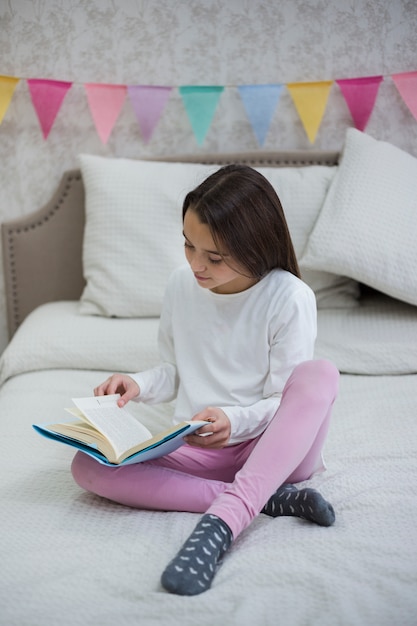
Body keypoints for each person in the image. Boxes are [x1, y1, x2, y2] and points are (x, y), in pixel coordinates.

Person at [71, 164, 339, 596]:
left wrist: (235, 421)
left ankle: (227, 518)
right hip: (196, 447)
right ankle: (265, 499)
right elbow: (177, 371)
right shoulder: (181, 286)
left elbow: (281, 398)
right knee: (87, 466)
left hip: (273, 449)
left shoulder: (289, 296)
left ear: (255, 245)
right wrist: (137, 384)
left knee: (320, 373)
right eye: (188, 245)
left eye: (213, 257)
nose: (196, 264)